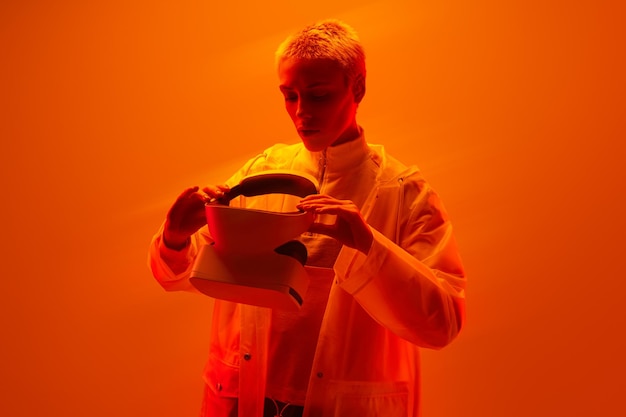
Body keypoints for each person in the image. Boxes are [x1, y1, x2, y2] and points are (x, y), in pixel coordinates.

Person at [148, 19, 466, 417]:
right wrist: (176, 237)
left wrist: (368, 245)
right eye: (289, 95)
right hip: (245, 398)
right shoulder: (260, 176)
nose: (301, 113)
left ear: (358, 88)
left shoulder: (404, 193)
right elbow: (184, 273)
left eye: (318, 96)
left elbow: (443, 323)